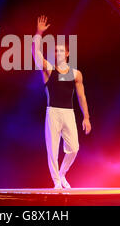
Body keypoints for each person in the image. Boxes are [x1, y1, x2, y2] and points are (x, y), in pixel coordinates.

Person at [32, 15, 91, 189]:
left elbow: (82, 97)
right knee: (52, 149)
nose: (57, 53)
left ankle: (62, 173)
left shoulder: (75, 73)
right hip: (53, 112)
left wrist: (86, 117)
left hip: (68, 112)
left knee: (74, 148)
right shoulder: (49, 70)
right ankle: (57, 183)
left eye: (60, 51)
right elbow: (35, 52)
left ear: (67, 53)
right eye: (55, 51)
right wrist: (39, 33)